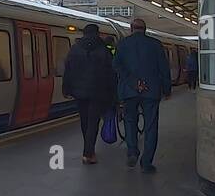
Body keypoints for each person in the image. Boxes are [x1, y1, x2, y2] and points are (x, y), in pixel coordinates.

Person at [113, 18, 171, 173]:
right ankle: (146, 162)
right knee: (151, 126)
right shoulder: (156, 45)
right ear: (145, 29)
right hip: (151, 92)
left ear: (131, 28)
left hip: (129, 91)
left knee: (130, 122)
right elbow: (164, 69)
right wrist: (167, 90)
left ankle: (132, 151)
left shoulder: (122, 44)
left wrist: (133, 83)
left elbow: (117, 66)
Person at [61, 23, 116, 165]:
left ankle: (88, 149)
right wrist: (113, 93)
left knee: (84, 121)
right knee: (93, 121)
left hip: (79, 92)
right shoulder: (104, 50)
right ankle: (88, 153)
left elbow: (68, 70)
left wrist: (66, 89)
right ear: (97, 33)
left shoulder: (75, 49)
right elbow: (111, 73)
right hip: (98, 92)